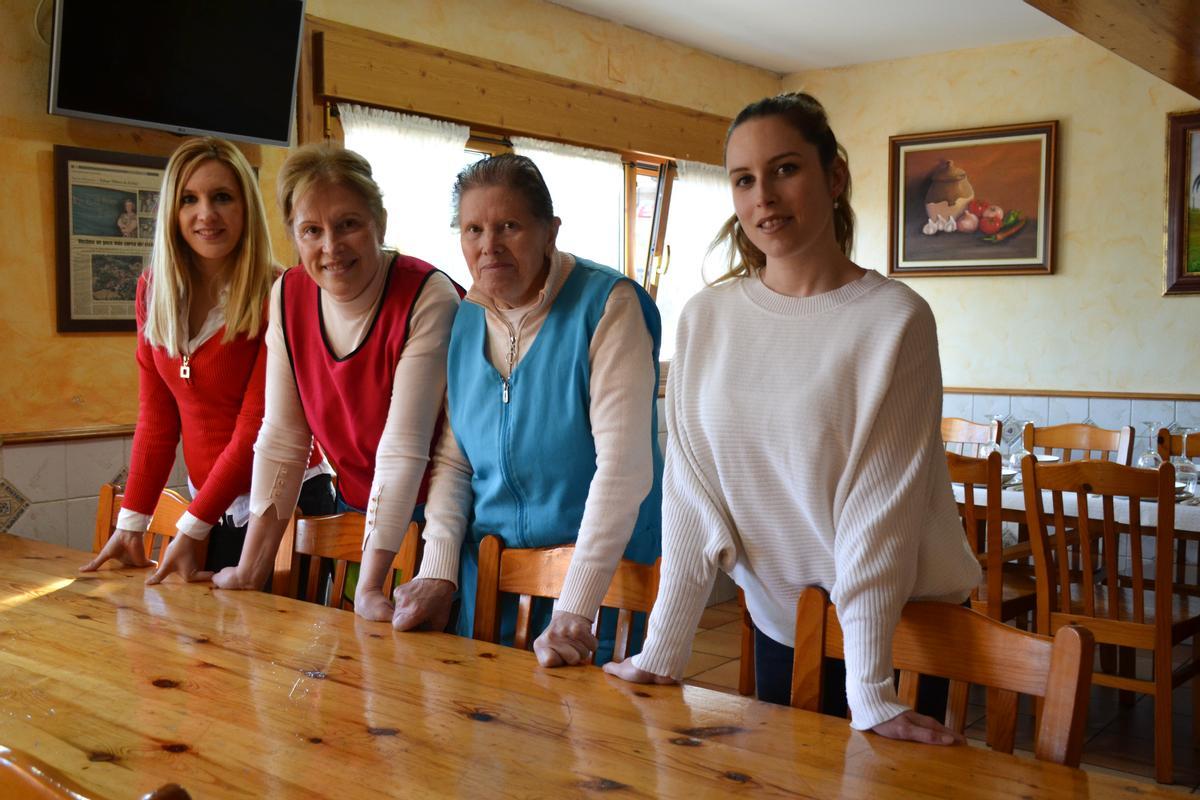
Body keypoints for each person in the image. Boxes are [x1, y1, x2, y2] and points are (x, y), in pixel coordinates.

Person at [603, 93, 982, 746]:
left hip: (901, 629)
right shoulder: (705, 320)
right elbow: (691, 494)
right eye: (744, 180)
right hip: (783, 620)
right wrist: (662, 648)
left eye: (785, 170)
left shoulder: (894, 320)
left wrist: (869, 689)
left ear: (833, 177)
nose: (764, 197)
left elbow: (880, 509)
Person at [391, 154, 662, 668]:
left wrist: (576, 607)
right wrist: (438, 572)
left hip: (598, 583)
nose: (488, 246)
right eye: (473, 229)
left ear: (549, 231)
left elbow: (623, 473)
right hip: (492, 579)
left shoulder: (607, 306)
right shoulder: (468, 316)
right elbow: (455, 460)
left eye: (508, 226)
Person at [210, 144, 461, 622]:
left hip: (436, 520)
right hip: (355, 506)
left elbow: (405, 447)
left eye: (349, 224)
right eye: (312, 230)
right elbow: (283, 437)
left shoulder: (428, 296)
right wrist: (250, 568)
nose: (331, 246)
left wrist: (369, 586)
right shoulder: (287, 295)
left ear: (379, 223)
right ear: (293, 236)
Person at [82, 138, 334, 581]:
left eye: (222, 197)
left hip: (282, 506)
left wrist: (193, 525)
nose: (206, 215)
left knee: (272, 648)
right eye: (189, 199)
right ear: (171, 212)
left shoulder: (281, 292)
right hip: (211, 507)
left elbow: (256, 426)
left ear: (245, 208)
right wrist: (131, 522)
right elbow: (157, 420)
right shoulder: (152, 290)